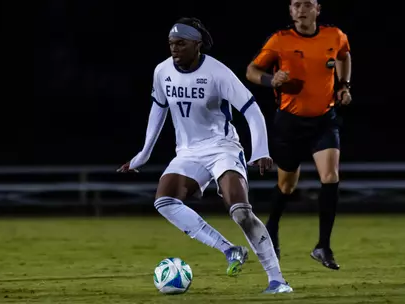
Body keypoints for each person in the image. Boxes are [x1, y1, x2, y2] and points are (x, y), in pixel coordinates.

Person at [118, 17, 292, 293]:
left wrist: (261, 151)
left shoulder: (217, 72)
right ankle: (229, 249)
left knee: (240, 212)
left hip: (222, 147)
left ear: (197, 45)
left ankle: (277, 280)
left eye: (181, 44)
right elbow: (158, 110)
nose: (174, 49)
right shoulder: (162, 71)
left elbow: (252, 110)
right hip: (188, 152)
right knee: (164, 200)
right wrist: (143, 155)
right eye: (171, 44)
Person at [246, 0, 352, 270]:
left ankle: (323, 246)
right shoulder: (279, 40)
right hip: (290, 123)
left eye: (307, 4)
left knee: (330, 177)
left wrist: (343, 85)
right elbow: (252, 71)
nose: (301, 9)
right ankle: (271, 227)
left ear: (318, 9)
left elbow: (343, 56)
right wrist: (272, 81)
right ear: (290, 11)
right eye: (295, 5)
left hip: (324, 121)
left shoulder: (334, 36)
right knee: (287, 186)